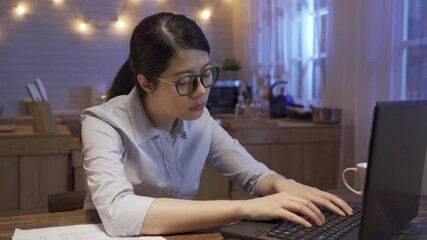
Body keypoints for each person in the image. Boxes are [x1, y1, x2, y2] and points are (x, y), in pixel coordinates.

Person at [81, 12, 352, 237]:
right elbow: (119, 212)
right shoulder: (103, 122)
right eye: (185, 81)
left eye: (206, 74)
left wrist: (286, 186)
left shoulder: (199, 120)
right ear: (146, 82)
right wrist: (243, 209)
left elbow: (254, 176)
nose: (201, 92)